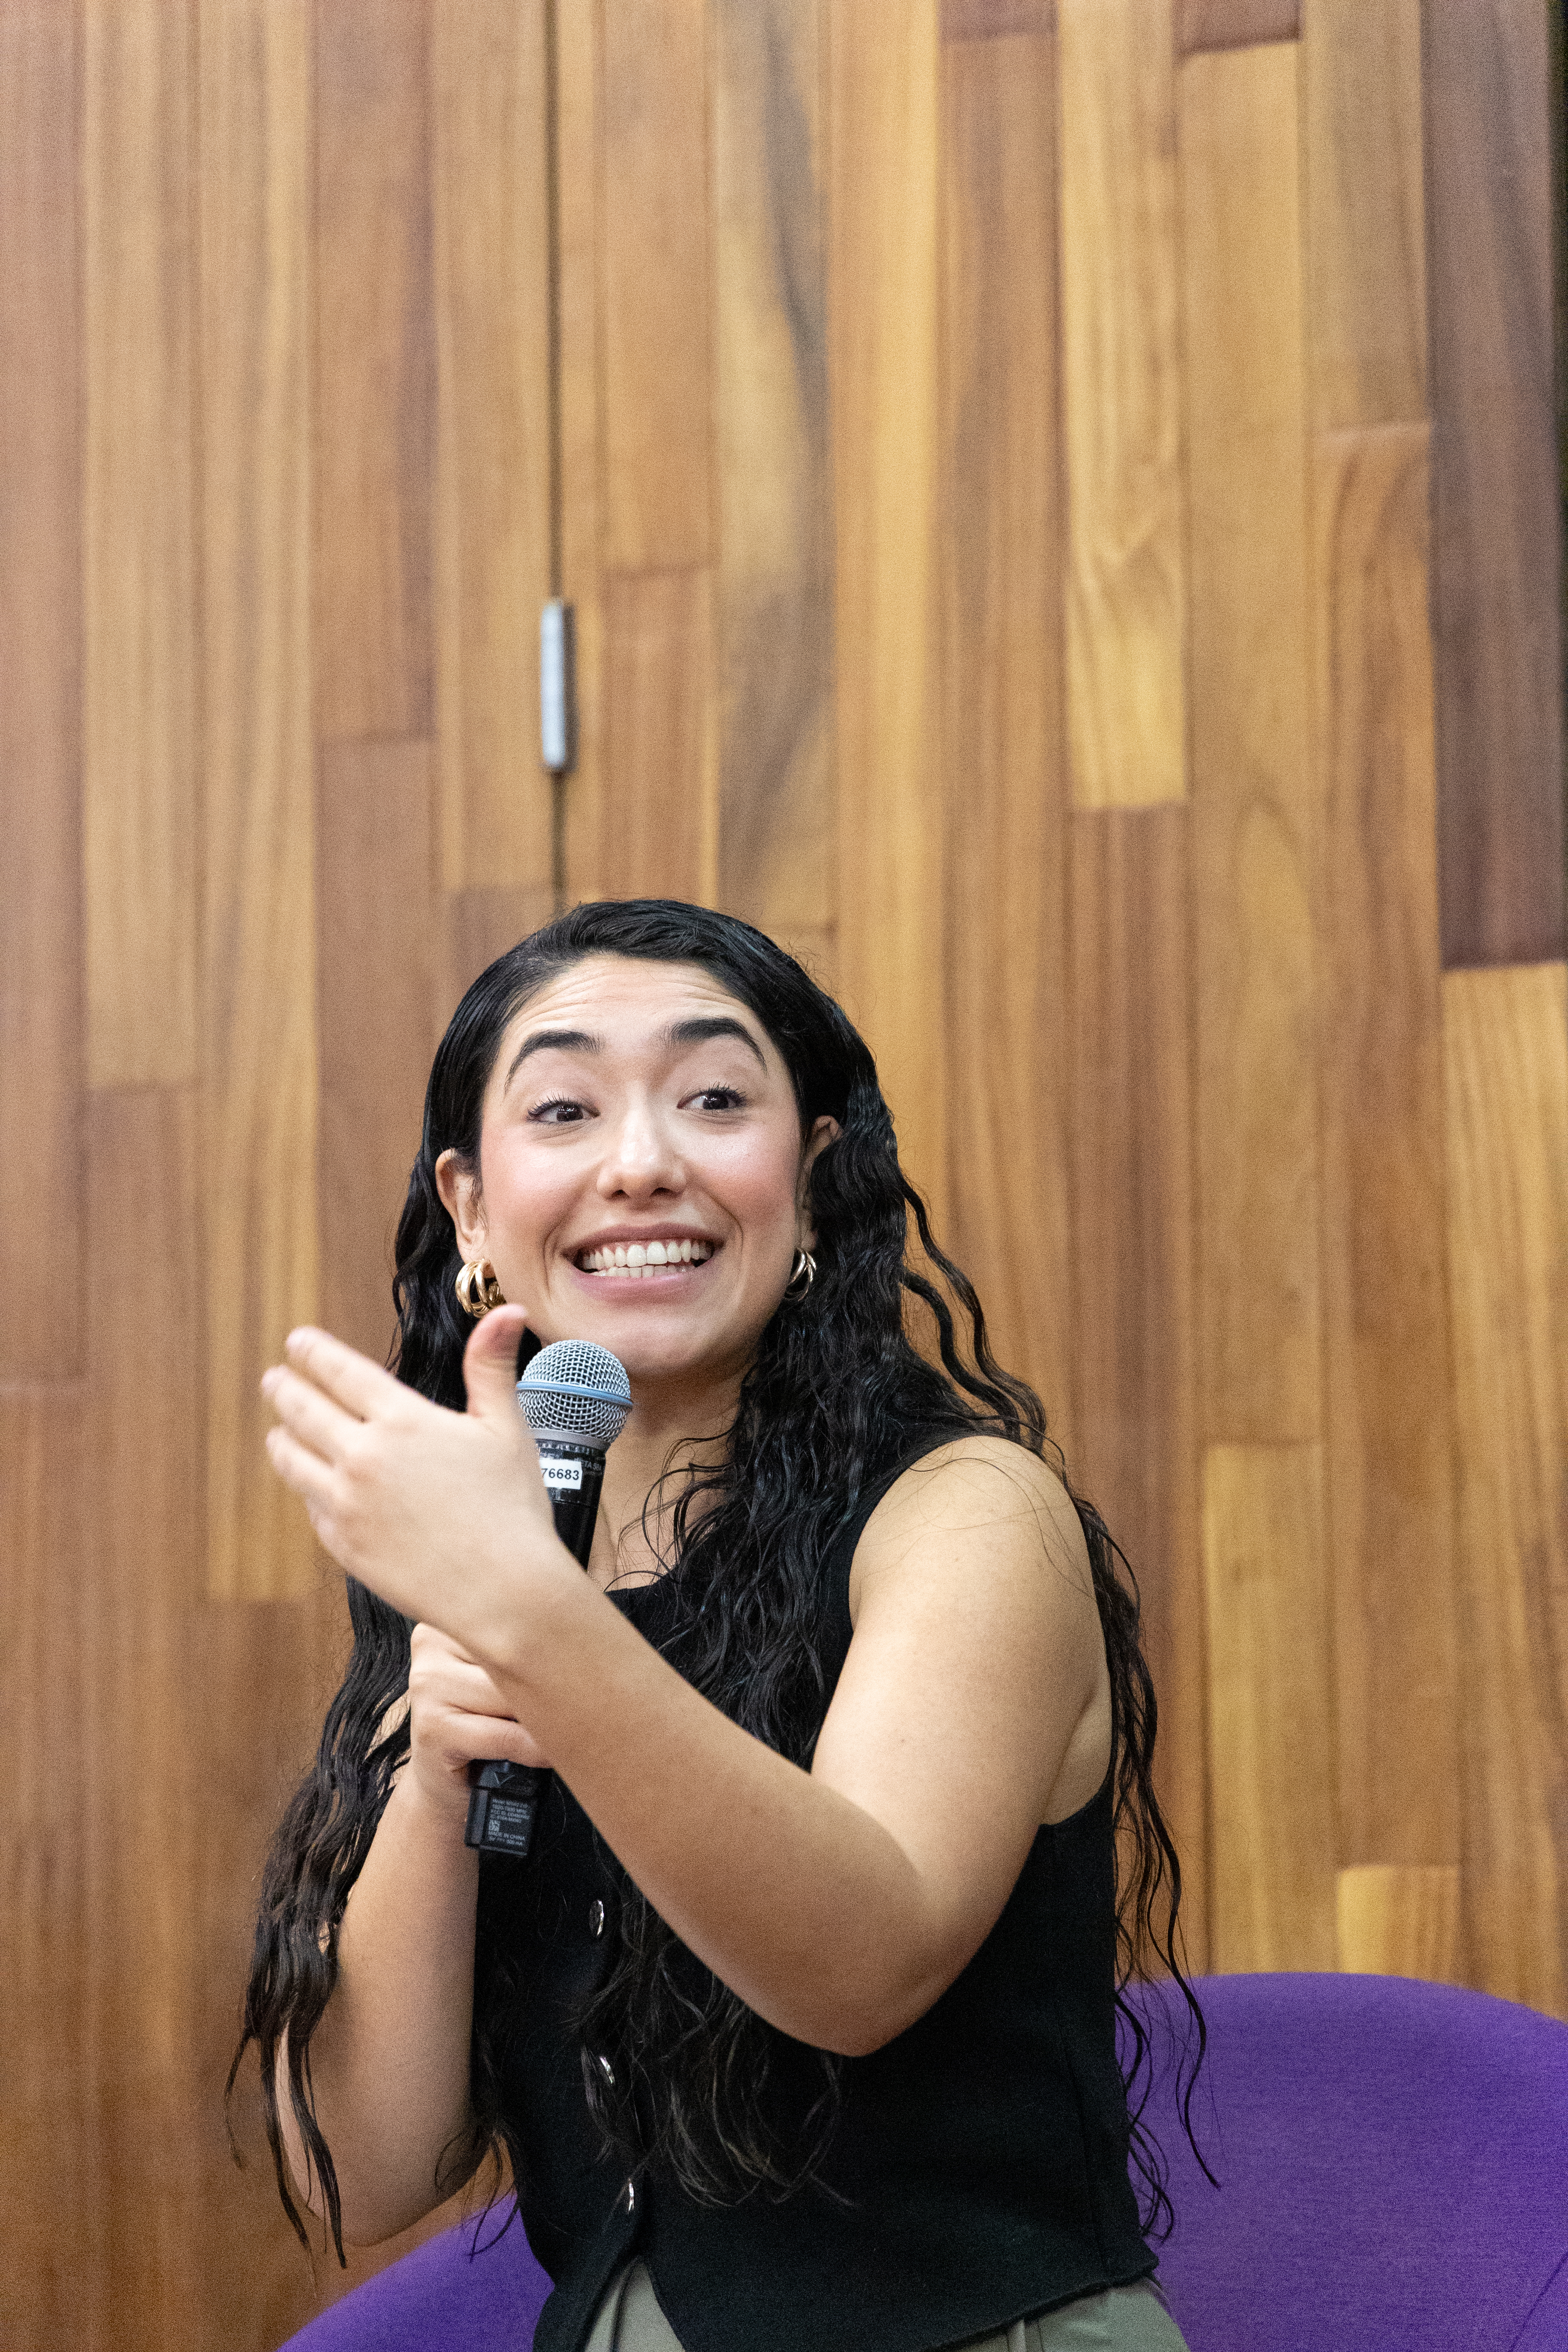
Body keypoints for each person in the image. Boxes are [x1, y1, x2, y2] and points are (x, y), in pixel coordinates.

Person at [240, 899, 1203, 2352]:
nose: (642, 1164)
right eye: (564, 1108)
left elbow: (859, 1972)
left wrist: (534, 1624)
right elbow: (361, 2172)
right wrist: (437, 1777)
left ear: (812, 1177)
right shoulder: (493, 1546)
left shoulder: (969, 1520)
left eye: (713, 1100)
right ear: (472, 1209)